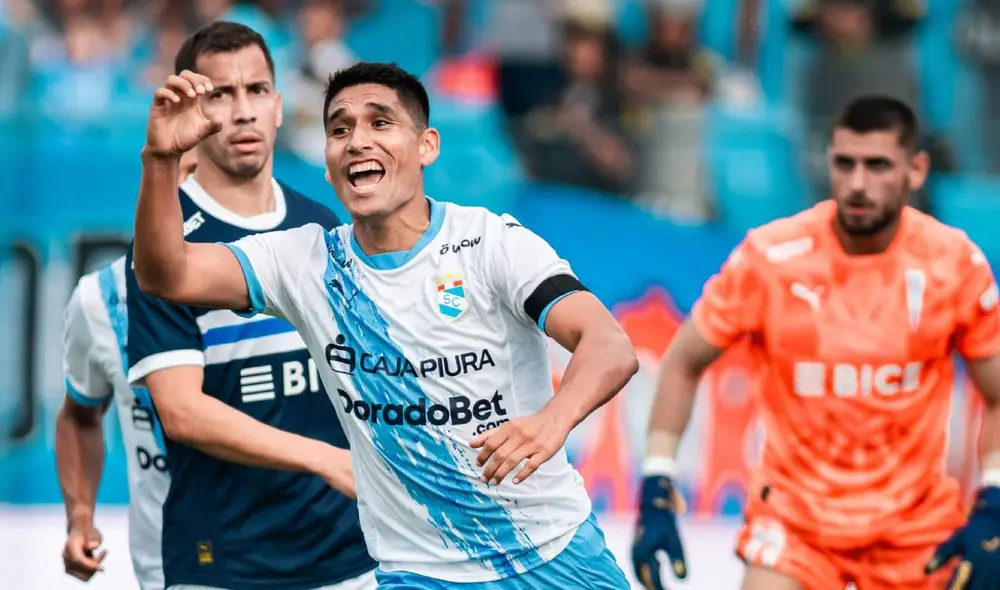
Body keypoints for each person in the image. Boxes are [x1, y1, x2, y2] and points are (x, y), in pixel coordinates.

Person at [131, 60, 639, 588]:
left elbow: (609, 345)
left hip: (553, 552)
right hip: (417, 573)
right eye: (339, 129)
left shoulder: (492, 243)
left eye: (380, 122)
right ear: (327, 166)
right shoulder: (302, 262)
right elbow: (167, 274)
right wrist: (161, 160)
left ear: (427, 147)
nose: (357, 141)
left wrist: (552, 421)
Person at [631, 95, 1000, 590]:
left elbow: (997, 391)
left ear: (915, 170)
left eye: (877, 165)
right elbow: (682, 361)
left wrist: (993, 496)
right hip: (794, 524)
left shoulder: (953, 263)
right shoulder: (770, 256)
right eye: (844, 164)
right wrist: (657, 481)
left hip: (913, 528)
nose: (858, 183)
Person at [124, 22, 376, 590]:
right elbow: (183, 413)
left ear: (281, 106)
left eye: (257, 90)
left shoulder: (323, 225)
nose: (243, 112)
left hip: (346, 558)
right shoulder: (163, 248)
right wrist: (324, 458)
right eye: (220, 94)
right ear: (191, 107)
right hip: (223, 562)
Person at [56, 158, 196, 590]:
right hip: (171, 570)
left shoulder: (275, 284)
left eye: (203, 179)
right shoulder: (98, 299)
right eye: (174, 175)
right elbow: (80, 414)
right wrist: (81, 517)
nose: (188, 196)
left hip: (299, 560)